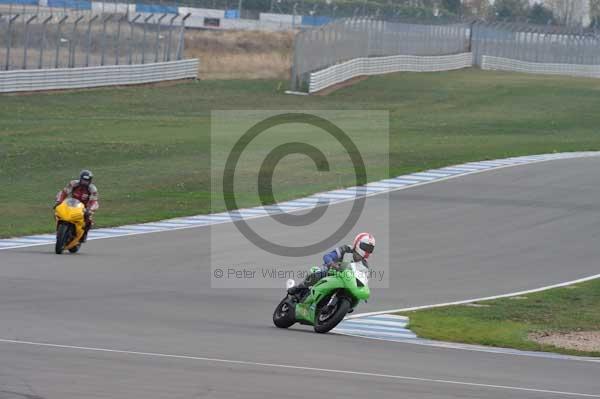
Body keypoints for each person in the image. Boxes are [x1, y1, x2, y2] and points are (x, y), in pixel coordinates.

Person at [288, 232, 375, 295]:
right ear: (357, 243)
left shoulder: (365, 266)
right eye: (365, 247)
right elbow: (328, 256)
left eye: (370, 249)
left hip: (347, 282)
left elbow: (363, 281)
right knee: (316, 274)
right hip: (331, 272)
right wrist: (331, 263)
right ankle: (298, 288)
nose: (367, 251)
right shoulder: (346, 249)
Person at [55, 170, 99, 243]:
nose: (85, 182)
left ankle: (84, 234)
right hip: (72, 203)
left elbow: (93, 200)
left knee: (89, 219)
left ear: (90, 180)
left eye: (87, 181)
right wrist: (59, 201)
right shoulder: (73, 183)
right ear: (80, 179)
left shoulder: (92, 188)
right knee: (58, 211)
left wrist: (88, 209)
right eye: (84, 180)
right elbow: (64, 192)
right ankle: (59, 229)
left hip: (85, 206)